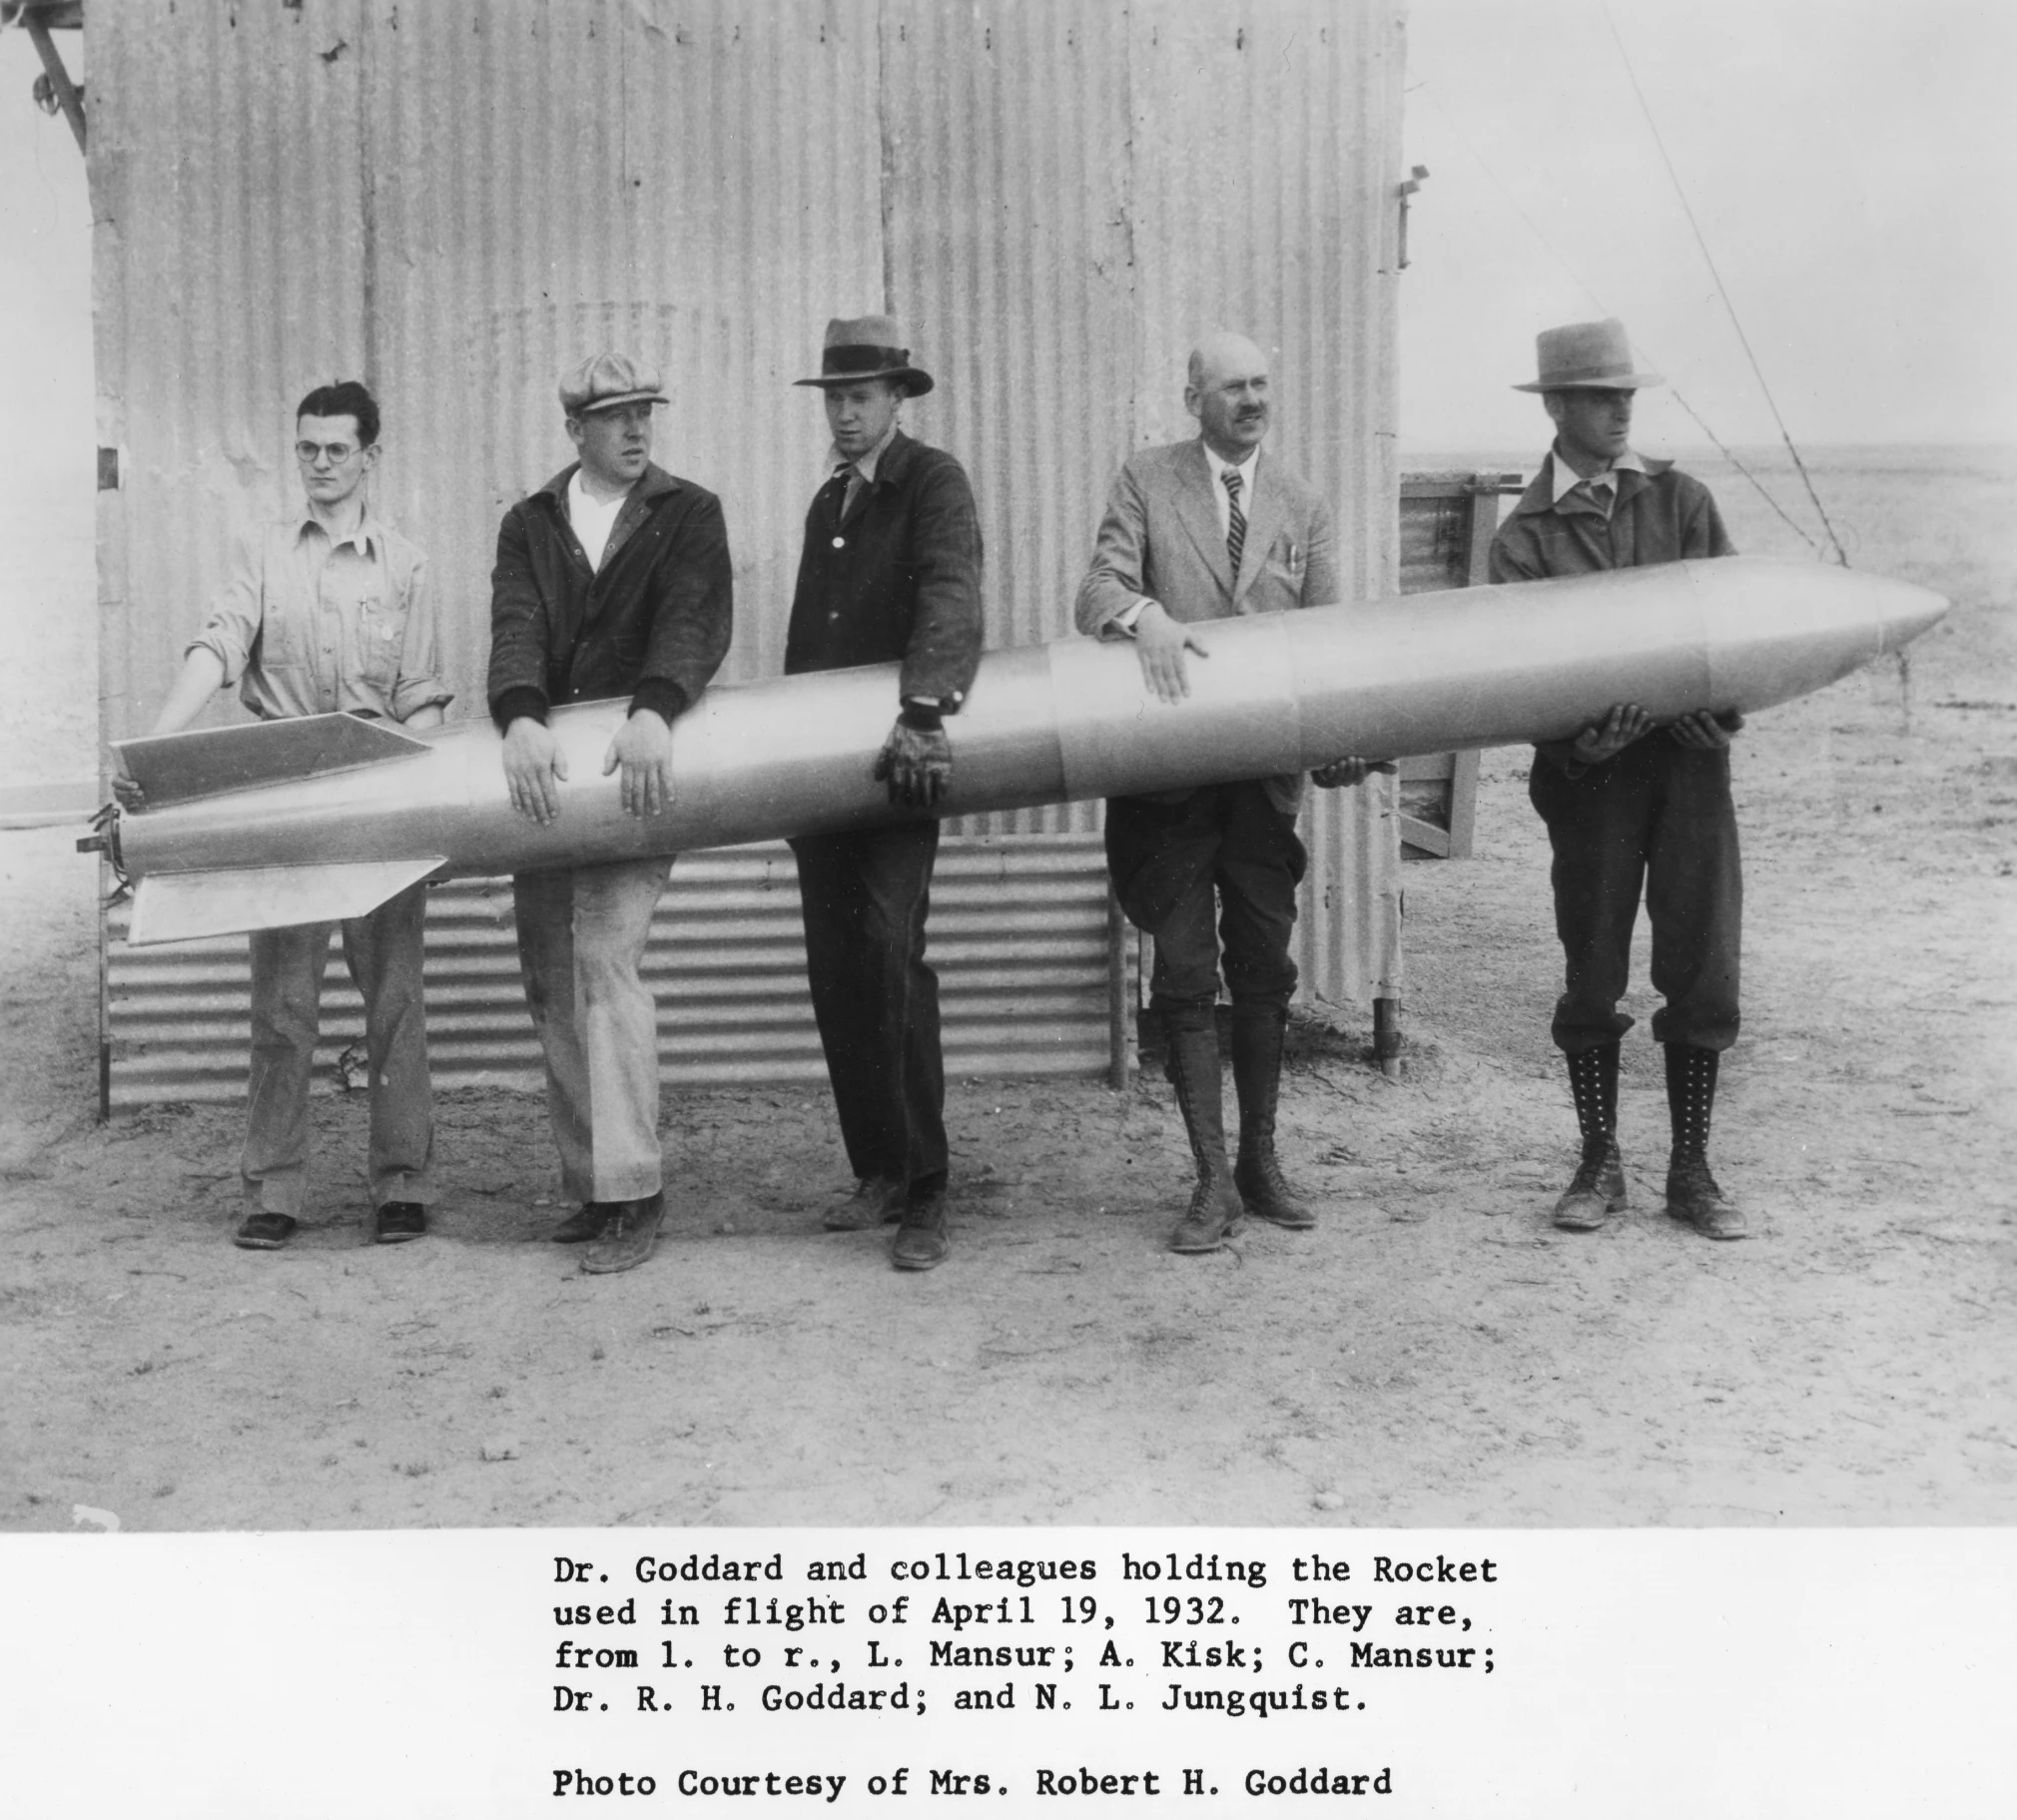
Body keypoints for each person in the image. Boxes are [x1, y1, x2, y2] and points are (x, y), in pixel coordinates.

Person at [113, 381, 449, 1250]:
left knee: (396, 1002)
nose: (322, 465)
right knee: (283, 1009)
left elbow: (423, 698)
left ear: (371, 455)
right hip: (287, 809)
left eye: (339, 449)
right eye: (308, 449)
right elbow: (219, 644)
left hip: (378, 808)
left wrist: (414, 794)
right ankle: (276, 1186)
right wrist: (155, 747)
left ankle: (401, 1182)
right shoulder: (265, 554)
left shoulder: (407, 564)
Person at [1075, 331, 1385, 1255]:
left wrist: (1344, 750)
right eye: (1233, 387)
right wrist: (1147, 616)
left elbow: (1327, 648)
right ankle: (1209, 1180)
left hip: (1260, 794)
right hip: (1166, 793)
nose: (1252, 400)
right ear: (1194, 397)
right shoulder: (1147, 478)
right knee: (1183, 976)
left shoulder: (1300, 503)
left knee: (1262, 972)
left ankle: (1259, 1161)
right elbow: (1096, 589)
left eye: (1262, 384)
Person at [1487, 317, 1747, 1241]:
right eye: (1602, 396)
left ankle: (1693, 1168)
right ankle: (1598, 1162)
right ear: (1557, 406)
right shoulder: (1523, 537)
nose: (1621, 409)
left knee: (1703, 965)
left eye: (1628, 394)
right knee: (1592, 971)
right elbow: (1521, 678)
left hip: (1687, 772)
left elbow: (1735, 628)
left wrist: (1723, 714)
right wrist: (1578, 748)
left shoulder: (1680, 501)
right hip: (1592, 788)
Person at [487, 350, 732, 1274]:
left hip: (636, 776)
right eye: (617, 417)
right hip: (547, 783)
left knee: (603, 961)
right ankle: (593, 1184)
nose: (637, 431)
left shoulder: (687, 512)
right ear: (575, 431)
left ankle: (636, 1190)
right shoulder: (530, 523)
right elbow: (516, 622)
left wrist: (653, 708)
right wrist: (518, 714)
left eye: (645, 414)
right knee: (552, 975)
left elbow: (695, 617)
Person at [783, 314, 985, 1273]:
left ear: (897, 400)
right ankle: (878, 1169)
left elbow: (952, 591)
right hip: (823, 779)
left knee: (891, 955)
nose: (847, 415)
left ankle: (929, 1190)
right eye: (835, 399)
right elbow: (807, 644)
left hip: (903, 762)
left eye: (861, 398)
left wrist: (923, 709)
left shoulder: (932, 482)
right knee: (837, 970)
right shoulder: (830, 499)